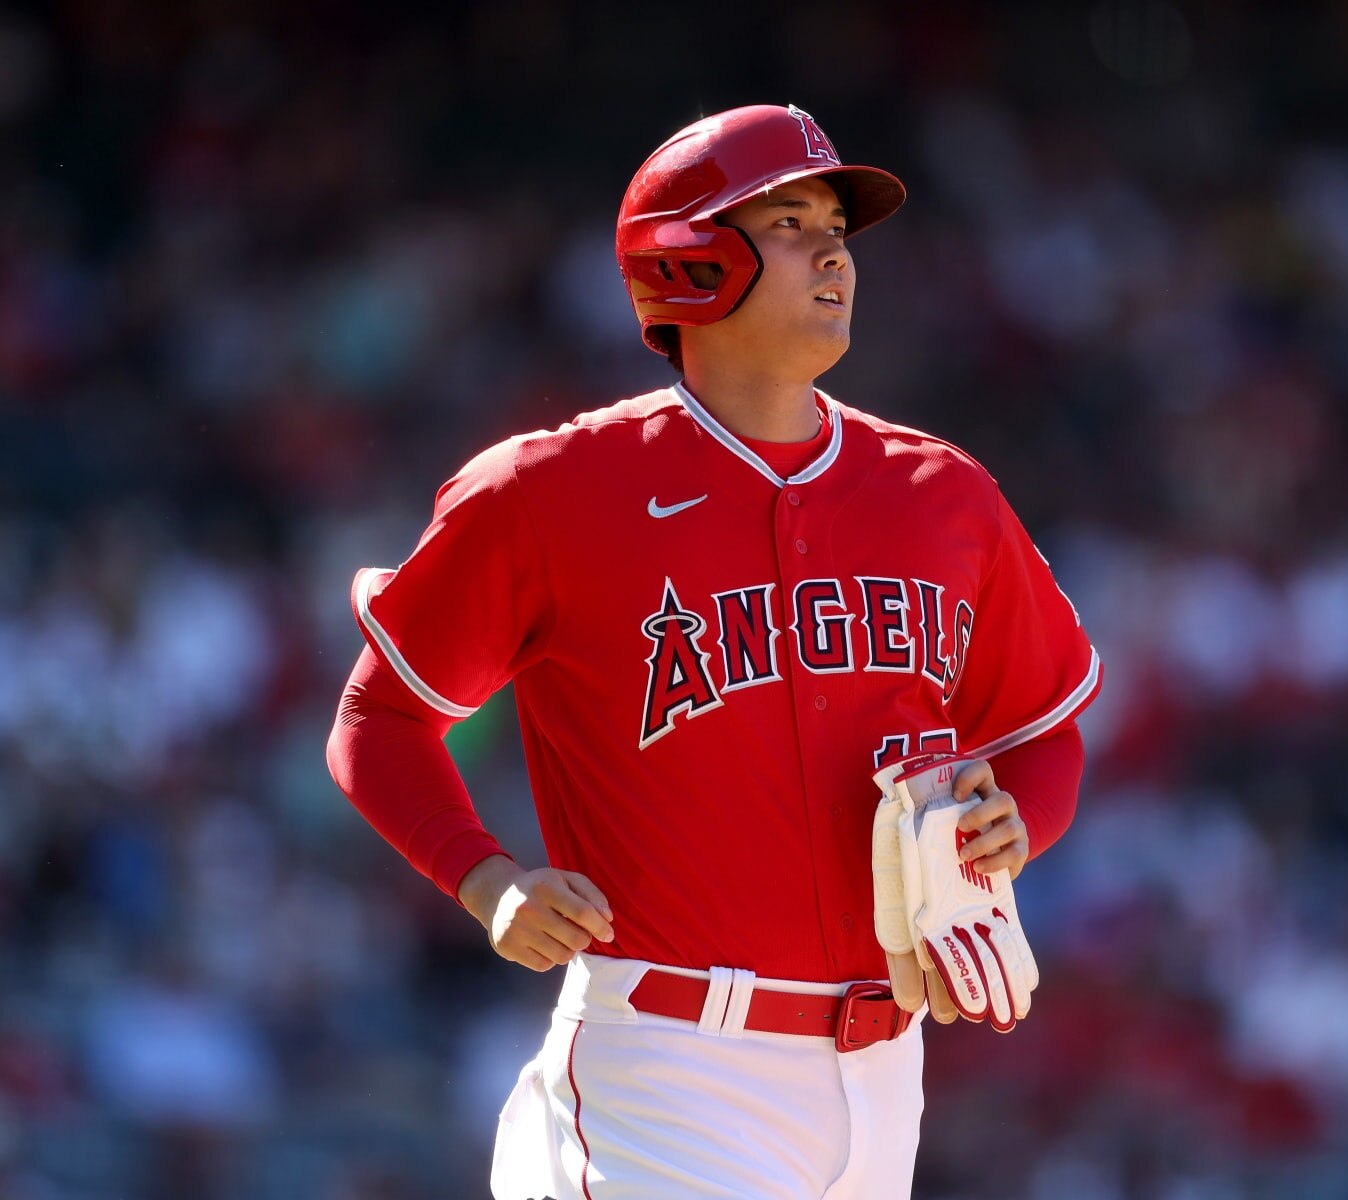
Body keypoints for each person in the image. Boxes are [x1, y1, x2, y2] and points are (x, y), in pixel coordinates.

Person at [325, 103, 1101, 1200]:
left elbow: (1040, 732)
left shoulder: (943, 493)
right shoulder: (547, 493)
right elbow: (379, 719)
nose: (836, 249)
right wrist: (484, 877)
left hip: (887, 1074)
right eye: (789, 221)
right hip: (668, 1062)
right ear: (689, 262)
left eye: (837, 223)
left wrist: (1023, 823)